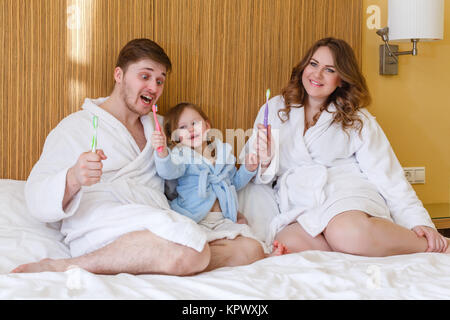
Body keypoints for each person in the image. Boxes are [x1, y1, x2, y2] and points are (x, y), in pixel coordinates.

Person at [12, 38, 243, 275]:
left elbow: (193, 174)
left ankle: (156, 259)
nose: (154, 88)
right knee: (192, 250)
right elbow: (35, 197)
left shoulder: (164, 128)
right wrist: (73, 178)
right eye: (145, 76)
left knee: (250, 249)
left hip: (157, 222)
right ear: (119, 75)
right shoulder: (76, 126)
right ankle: (66, 266)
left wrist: (231, 196)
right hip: (105, 223)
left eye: (160, 81)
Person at [241, 37, 449, 257]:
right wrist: (264, 161)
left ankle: (435, 246)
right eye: (313, 64)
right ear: (304, 67)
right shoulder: (274, 109)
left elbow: (389, 176)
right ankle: (361, 247)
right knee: (286, 243)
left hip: (345, 196)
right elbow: (252, 174)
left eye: (329, 70)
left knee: (346, 233)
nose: (317, 74)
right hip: (302, 205)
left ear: (341, 79)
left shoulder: (357, 119)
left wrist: (419, 222)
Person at [151, 102, 279, 269]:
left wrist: (248, 168)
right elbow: (167, 172)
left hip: (223, 220)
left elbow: (234, 183)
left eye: (195, 123)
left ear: (207, 126)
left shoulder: (223, 154)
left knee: (247, 236)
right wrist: (161, 153)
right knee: (194, 241)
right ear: (175, 137)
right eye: (182, 127)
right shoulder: (180, 156)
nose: (190, 129)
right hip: (195, 218)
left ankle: (264, 255)